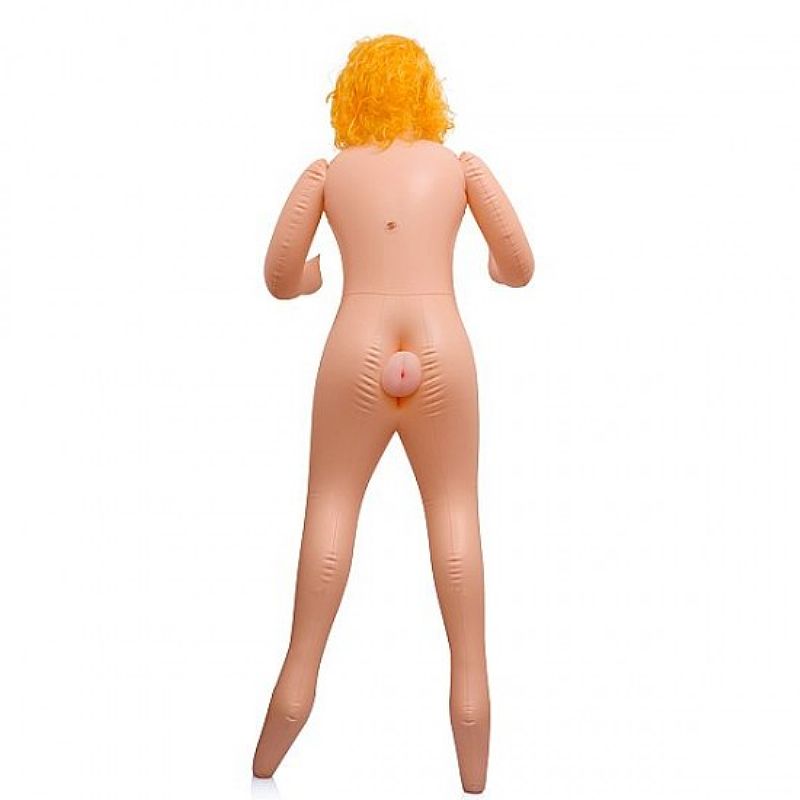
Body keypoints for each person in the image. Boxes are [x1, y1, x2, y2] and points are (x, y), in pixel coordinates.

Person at [252, 33, 534, 794]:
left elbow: (278, 275)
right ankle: (474, 752)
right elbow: (518, 266)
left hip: (354, 346)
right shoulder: (460, 168)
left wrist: (310, 283)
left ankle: (280, 723)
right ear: (427, 92)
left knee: (330, 511)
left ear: (350, 96)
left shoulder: (329, 173)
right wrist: (488, 265)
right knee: (455, 517)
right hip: (442, 344)